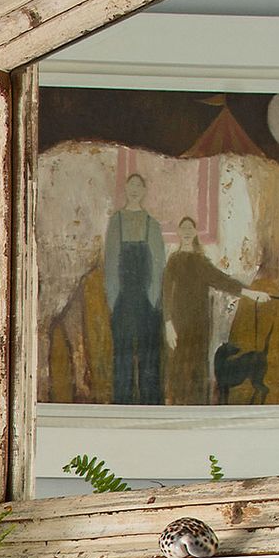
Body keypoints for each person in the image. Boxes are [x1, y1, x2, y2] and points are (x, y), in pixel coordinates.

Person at [163, 215, 259, 405]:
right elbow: (165, 293)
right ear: (179, 233)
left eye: (191, 228)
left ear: (195, 233)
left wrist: (250, 293)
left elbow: (223, 281)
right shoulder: (173, 261)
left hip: (200, 323)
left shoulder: (201, 262)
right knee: (178, 369)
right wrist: (168, 325)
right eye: (184, 228)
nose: (188, 231)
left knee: (198, 369)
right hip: (179, 323)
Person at [103, 171, 165, 403]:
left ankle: (150, 408)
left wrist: (153, 298)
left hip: (147, 301)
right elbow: (110, 262)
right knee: (123, 357)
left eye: (139, 185)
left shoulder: (152, 224)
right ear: (126, 189)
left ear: (145, 191)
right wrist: (113, 299)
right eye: (131, 185)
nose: (135, 189)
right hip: (122, 300)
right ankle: (122, 407)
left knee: (149, 357)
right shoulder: (115, 221)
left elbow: (159, 265)